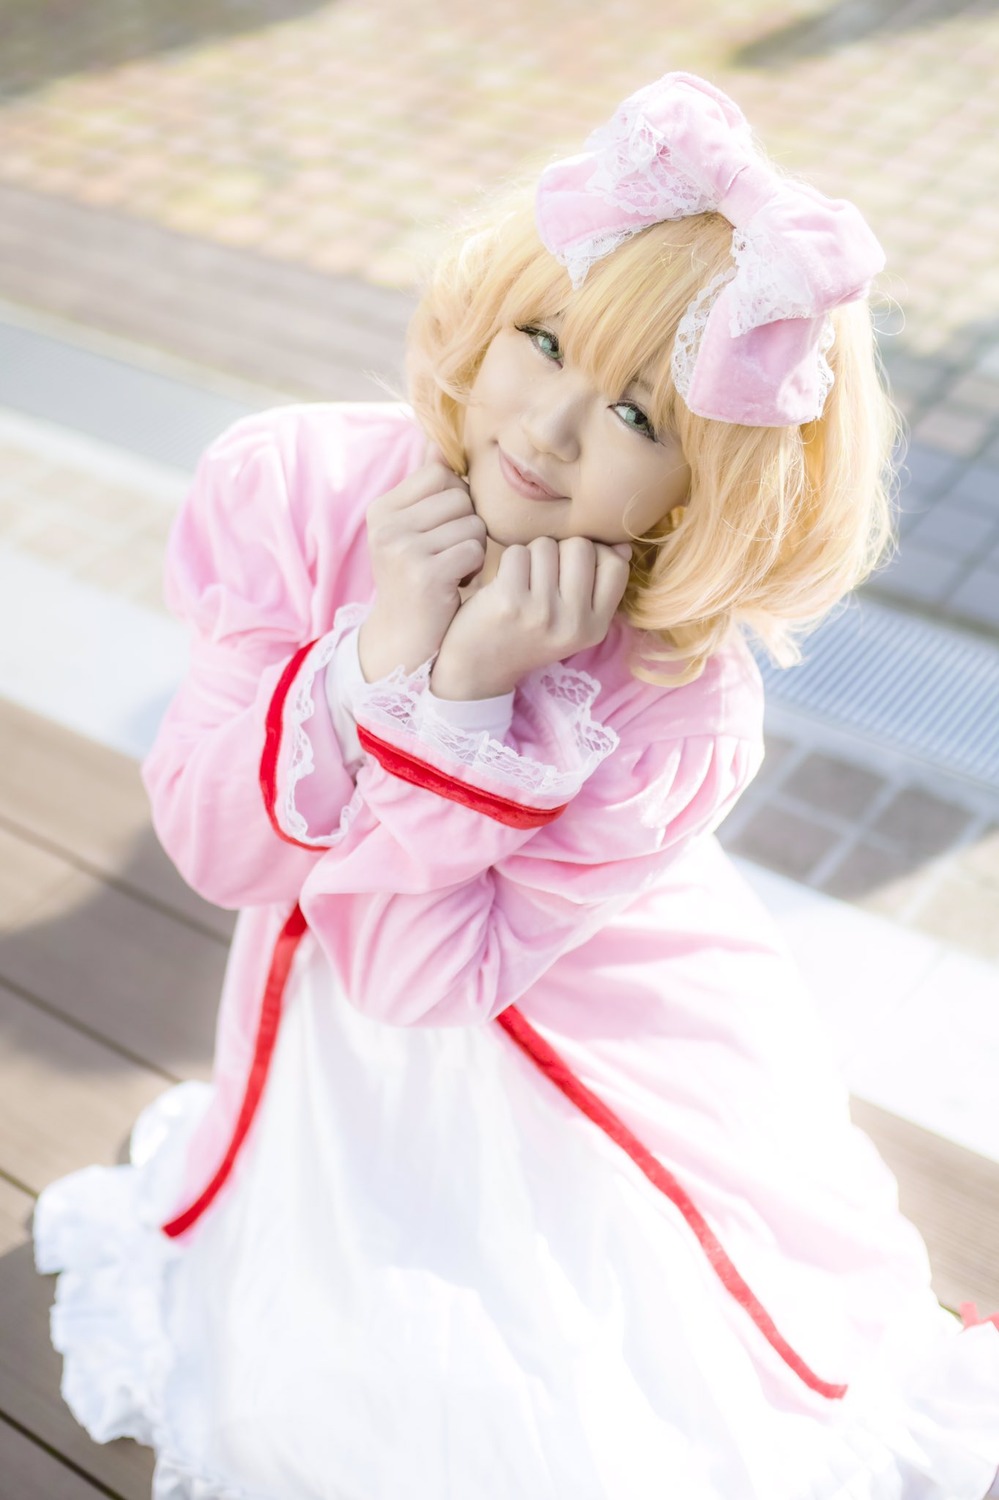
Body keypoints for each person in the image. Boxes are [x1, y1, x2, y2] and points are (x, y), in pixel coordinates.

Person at [34, 71, 999, 1500]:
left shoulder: (677, 704)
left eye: (638, 417)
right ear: (486, 321)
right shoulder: (293, 487)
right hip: (320, 1037)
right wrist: (373, 656)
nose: (545, 430)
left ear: (705, 488)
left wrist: (466, 695)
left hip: (589, 1044)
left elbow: (419, 976)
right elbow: (224, 853)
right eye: (541, 342)